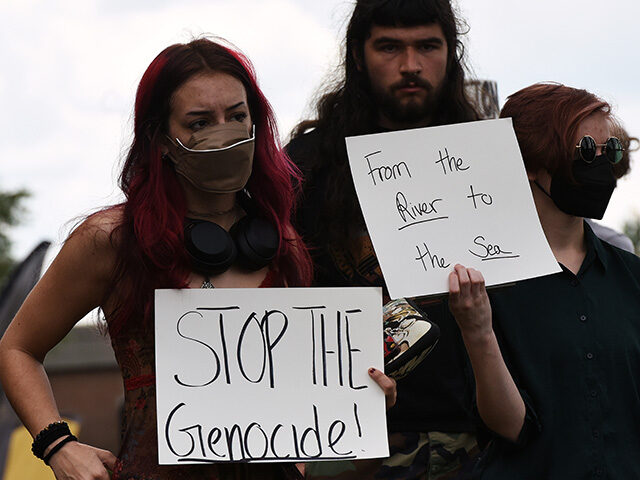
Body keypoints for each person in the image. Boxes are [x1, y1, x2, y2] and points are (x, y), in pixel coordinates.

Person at [0, 38, 395, 480]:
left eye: (237, 116)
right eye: (200, 122)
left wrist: (360, 406)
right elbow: (17, 347)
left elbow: (300, 417)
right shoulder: (111, 240)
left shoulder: (283, 245)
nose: (223, 132)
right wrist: (58, 445)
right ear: (162, 140)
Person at [286, 1, 481, 478]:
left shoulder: (483, 155)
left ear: (450, 53)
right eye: (390, 47)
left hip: (479, 436)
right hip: (353, 440)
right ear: (357, 54)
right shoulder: (304, 167)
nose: (410, 65)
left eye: (428, 47)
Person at [448, 82, 640, 479]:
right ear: (530, 163)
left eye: (612, 151)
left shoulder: (632, 277)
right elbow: (511, 427)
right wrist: (478, 331)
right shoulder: (481, 288)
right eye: (587, 151)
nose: (603, 164)